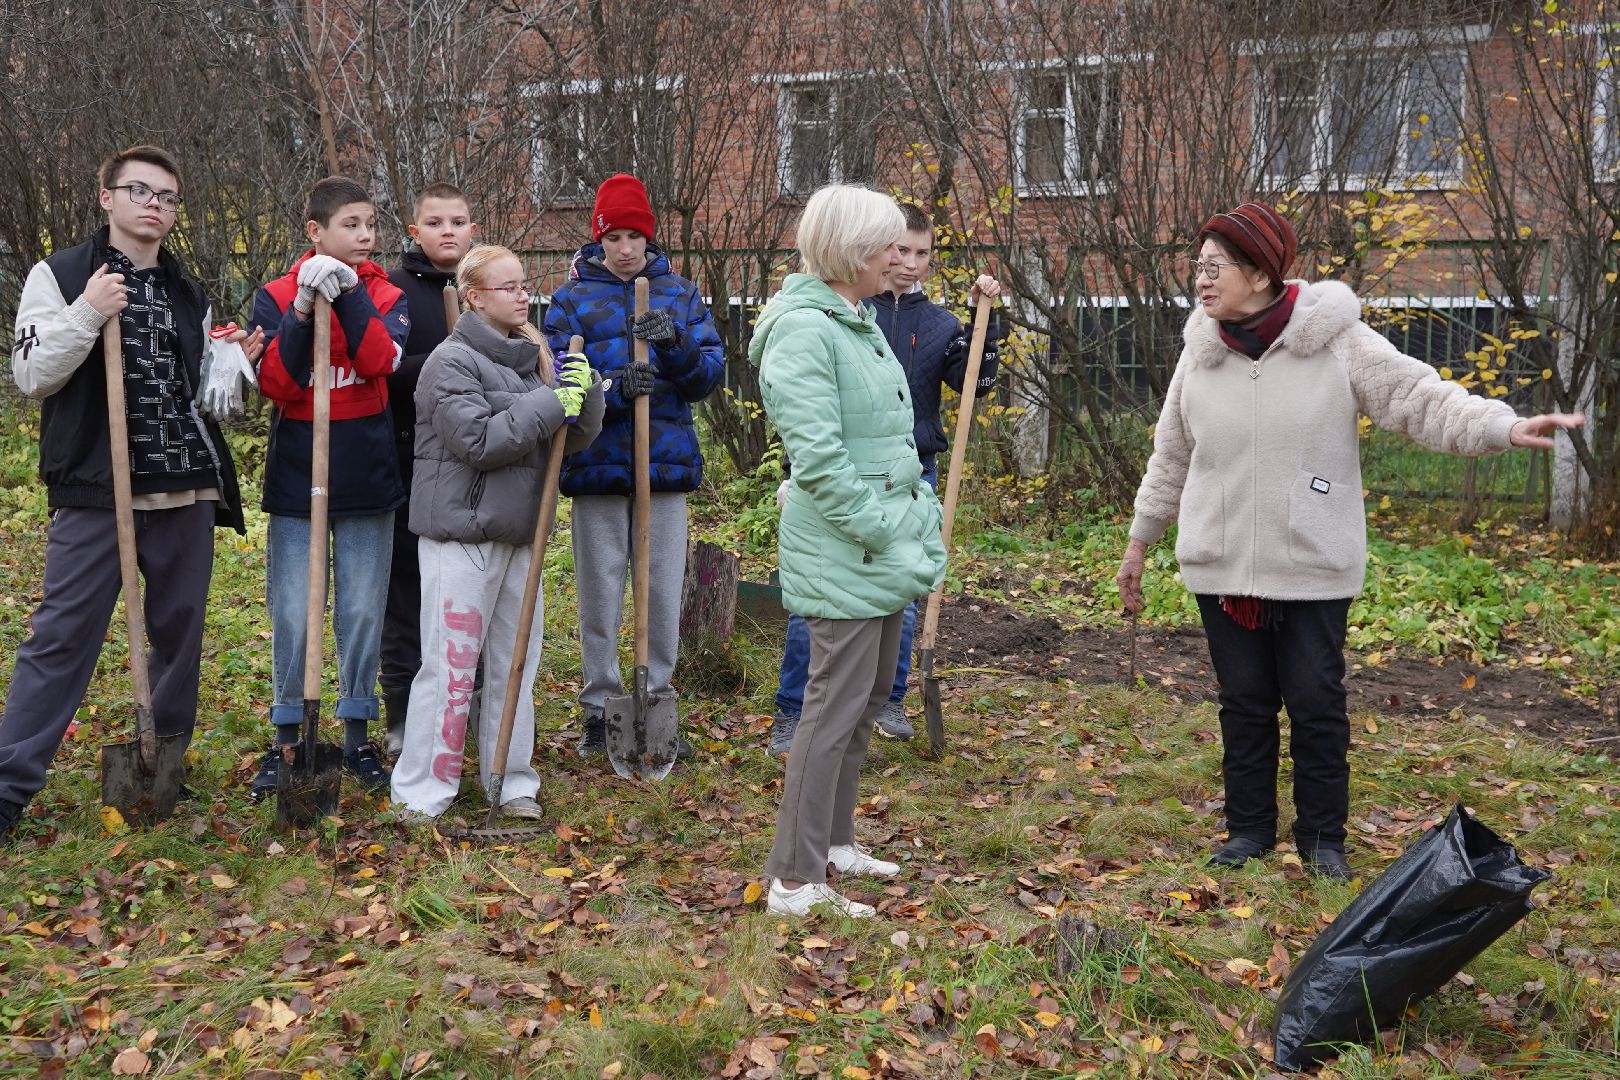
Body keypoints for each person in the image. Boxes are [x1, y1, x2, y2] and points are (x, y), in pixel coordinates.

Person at [1115, 201, 1586, 881]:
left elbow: (1419, 399)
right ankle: (1248, 831)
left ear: (1260, 272)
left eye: (1214, 267)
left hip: (1311, 558)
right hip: (1221, 561)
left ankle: (1321, 838)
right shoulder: (1202, 351)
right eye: (1197, 268)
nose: (1201, 281)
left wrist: (1497, 426)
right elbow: (1171, 456)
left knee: (1314, 703)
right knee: (1243, 703)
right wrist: (1139, 542)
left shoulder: (1337, 340)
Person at [0, 145, 254, 844]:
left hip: (184, 487)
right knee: (60, 638)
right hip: (96, 488)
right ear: (106, 196)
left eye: (167, 197)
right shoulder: (61, 275)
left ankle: (162, 757)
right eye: (139, 190)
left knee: (180, 635)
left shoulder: (186, 291)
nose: (154, 205)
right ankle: (8, 786)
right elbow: (30, 376)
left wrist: (235, 365)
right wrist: (87, 312)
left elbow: (210, 401)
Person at [752, 184, 947, 917]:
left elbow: (884, 439)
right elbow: (822, 461)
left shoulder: (854, 319)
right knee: (829, 711)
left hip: (881, 545)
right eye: (888, 246)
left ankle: (833, 843)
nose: (900, 259)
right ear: (851, 251)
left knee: (864, 701)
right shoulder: (806, 329)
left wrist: (903, 523)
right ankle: (795, 880)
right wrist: (882, 527)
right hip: (850, 545)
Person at [769, 202, 1004, 755]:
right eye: (898, 249)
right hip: (848, 481)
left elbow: (978, 380)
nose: (908, 262)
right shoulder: (844, 312)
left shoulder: (937, 323)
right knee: (825, 601)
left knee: (902, 590)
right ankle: (794, 708)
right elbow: (814, 422)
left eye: (921, 253)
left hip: (910, 471)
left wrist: (987, 320)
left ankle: (888, 697)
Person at [389, 245, 603, 819]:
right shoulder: (449, 362)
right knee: (451, 666)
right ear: (475, 297)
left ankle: (511, 782)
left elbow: (567, 439)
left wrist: (586, 395)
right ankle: (423, 792)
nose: (521, 295)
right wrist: (549, 400)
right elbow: (481, 443)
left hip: (520, 535)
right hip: (461, 536)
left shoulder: (532, 358)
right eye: (507, 287)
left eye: (524, 284)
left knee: (516, 664)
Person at [542, 174, 724, 760]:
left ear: (649, 237)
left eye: (635, 236)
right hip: (596, 468)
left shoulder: (680, 295)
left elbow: (707, 380)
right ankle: (600, 708)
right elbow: (557, 388)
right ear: (599, 239)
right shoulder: (571, 301)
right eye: (614, 236)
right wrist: (615, 389)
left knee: (662, 591)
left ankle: (659, 698)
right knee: (600, 594)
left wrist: (673, 345)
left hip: (663, 469)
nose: (625, 248)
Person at [247, 176, 411, 799]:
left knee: (363, 609)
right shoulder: (274, 295)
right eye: (351, 225)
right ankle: (288, 736)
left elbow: (379, 362)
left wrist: (346, 299)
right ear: (315, 231)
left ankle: (354, 735)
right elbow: (279, 384)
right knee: (293, 611)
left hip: (366, 472)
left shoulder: (387, 294)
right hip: (298, 475)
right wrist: (300, 311)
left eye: (370, 223)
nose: (365, 235)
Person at [381, 183, 479, 755]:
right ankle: (402, 717)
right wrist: (446, 363)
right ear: (414, 232)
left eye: (458, 221)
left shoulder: (485, 287)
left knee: (466, 596)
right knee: (406, 595)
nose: (448, 231)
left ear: (473, 229)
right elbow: (383, 370)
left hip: (476, 468)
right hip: (408, 464)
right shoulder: (392, 292)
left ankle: (470, 709)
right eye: (435, 222)